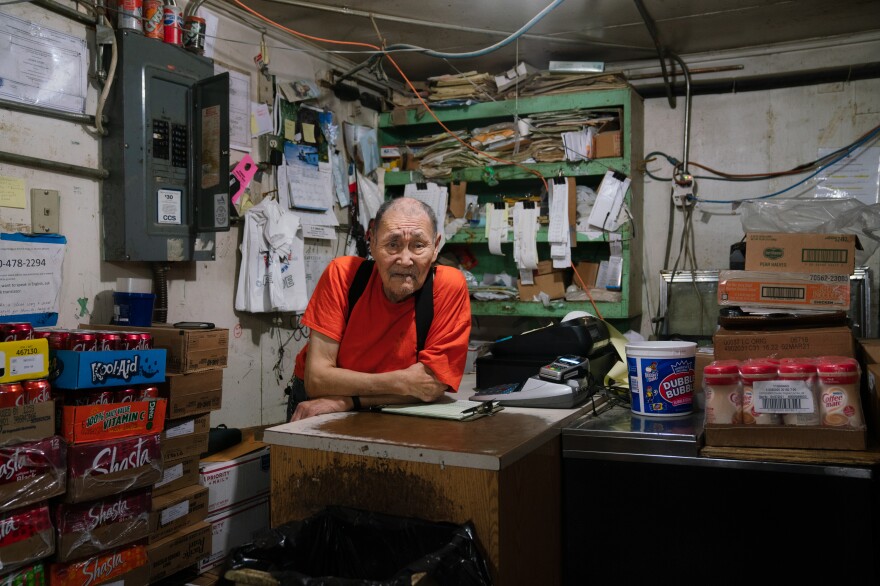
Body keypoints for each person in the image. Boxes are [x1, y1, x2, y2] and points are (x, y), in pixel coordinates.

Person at [288, 197, 471, 421]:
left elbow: (430, 387)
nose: (405, 260)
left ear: (435, 248)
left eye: (419, 245)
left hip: (366, 401)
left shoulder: (447, 287)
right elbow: (317, 381)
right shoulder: (343, 276)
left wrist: (350, 401)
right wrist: (403, 382)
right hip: (321, 403)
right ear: (372, 243)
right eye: (392, 245)